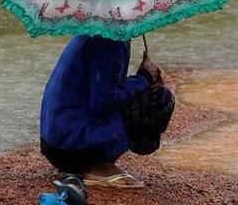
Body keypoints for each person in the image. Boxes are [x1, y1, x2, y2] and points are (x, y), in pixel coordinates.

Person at [40, 35, 175, 188]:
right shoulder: (112, 41)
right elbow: (105, 102)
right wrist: (144, 78)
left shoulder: (93, 32)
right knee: (161, 99)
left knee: (142, 93)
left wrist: (143, 79)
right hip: (72, 148)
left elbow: (105, 88)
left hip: (55, 143)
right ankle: (98, 166)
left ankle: (93, 161)